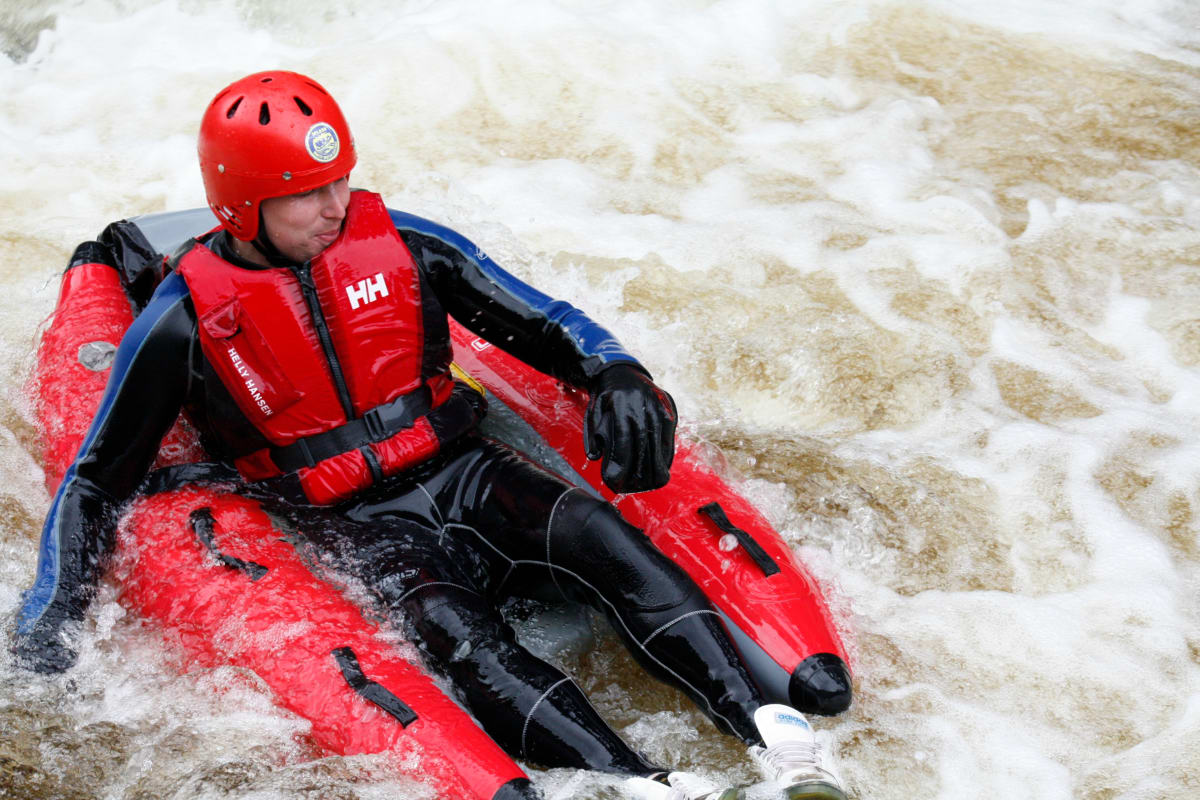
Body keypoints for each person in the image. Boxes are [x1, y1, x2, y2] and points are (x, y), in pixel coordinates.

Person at [11, 71, 848, 800]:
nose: (335, 206)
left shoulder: (403, 244)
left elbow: (548, 325)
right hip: (358, 523)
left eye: (339, 180)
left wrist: (618, 374)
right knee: (460, 637)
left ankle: (775, 739)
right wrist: (53, 614)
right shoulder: (181, 320)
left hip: (469, 472)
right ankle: (648, 785)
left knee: (606, 539)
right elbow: (95, 477)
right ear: (243, 205)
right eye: (307, 192)